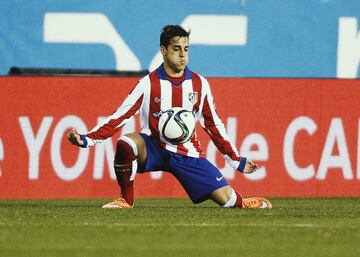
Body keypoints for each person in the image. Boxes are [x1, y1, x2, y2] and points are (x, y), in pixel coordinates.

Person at [67, 25, 272, 209]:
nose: (183, 55)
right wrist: (87, 139)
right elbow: (119, 117)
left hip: (186, 153)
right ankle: (125, 200)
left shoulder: (200, 84)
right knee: (126, 143)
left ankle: (243, 203)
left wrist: (236, 160)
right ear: (164, 51)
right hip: (154, 146)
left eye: (186, 49)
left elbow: (214, 125)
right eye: (176, 49)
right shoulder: (148, 84)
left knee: (228, 201)